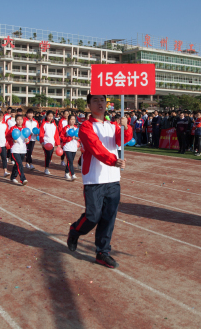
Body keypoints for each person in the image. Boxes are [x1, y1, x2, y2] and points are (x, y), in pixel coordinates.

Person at [66, 93, 132, 269]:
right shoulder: (86, 127)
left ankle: (103, 252)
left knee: (109, 217)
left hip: (113, 178)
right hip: (94, 178)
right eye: (95, 100)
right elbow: (96, 147)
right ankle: (75, 231)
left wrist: (126, 127)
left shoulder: (113, 125)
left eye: (102, 100)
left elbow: (122, 139)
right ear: (89, 105)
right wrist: (113, 160)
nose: (99, 103)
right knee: (93, 216)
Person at [6, 114, 28, 185]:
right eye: (18, 119)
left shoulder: (25, 128)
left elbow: (28, 137)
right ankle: (23, 179)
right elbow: (7, 137)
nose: (19, 121)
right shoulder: (13, 128)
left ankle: (13, 177)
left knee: (17, 164)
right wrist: (12, 140)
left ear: (23, 120)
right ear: (15, 120)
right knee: (20, 163)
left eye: (21, 119)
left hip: (23, 149)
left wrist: (27, 139)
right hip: (15, 149)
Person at [40, 110, 60, 175]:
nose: (50, 117)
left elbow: (56, 134)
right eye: (49, 116)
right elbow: (41, 133)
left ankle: (47, 167)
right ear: (46, 116)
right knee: (47, 155)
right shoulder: (44, 123)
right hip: (46, 142)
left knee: (50, 155)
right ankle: (46, 168)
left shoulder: (54, 124)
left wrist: (58, 143)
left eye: (52, 116)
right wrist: (42, 142)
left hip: (52, 142)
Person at [61, 115, 80, 180]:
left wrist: (78, 138)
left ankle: (66, 173)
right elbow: (62, 137)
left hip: (74, 147)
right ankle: (73, 175)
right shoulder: (65, 128)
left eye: (74, 119)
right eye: (71, 119)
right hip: (67, 147)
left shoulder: (76, 128)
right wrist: (70, 138)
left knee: (70, 161)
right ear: (68, 120)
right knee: (70, 161)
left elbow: (79, 136)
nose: (73, 121)